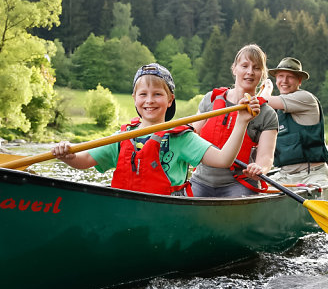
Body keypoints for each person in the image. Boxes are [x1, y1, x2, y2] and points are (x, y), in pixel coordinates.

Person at [50, 63, 261, 195]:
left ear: (170, 100)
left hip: (168, 216)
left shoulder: (183, 138)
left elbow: (224, 160)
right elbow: (84, 160)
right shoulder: (124, 136)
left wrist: (242, 122)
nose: (149, 101)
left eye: (157, 94)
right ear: (134, 99)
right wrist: (67, 155)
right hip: (125, 212)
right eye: (143, 94)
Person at [189, 44, 279, 197]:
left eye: (256, 68)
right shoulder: (211, 100)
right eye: (245, 66)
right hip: (200, 180)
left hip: (238, 183)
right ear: (234, 69)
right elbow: (191, 135)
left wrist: (260, 168)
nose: (250, 72)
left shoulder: (267, 114)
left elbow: (266, 157)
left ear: (262, 74)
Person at [262, 56, 328, 187]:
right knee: (256, 190)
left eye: (290, 77)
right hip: (284, 175)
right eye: (280, 76)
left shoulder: (305, 98)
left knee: (316, 194)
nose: (284, 81)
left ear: (299, 81)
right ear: (276, 78)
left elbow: (263, 100)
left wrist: (267, 88)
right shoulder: (276, 108)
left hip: (312, 175)